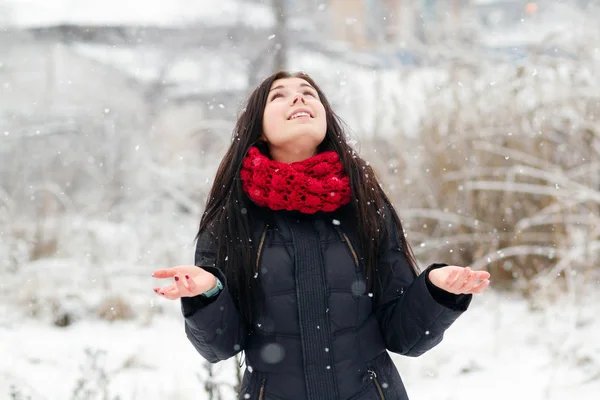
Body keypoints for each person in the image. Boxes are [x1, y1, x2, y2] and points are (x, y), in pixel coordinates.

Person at [151, 71, 491, 400]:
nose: (298, 96)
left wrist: (435, 291)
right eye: (278, 95)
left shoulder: (365, 202)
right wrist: (208, 294)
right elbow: (221, 346)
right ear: (258, 128)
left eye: (308, 92)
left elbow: (405, 336)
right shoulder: (233, 216)